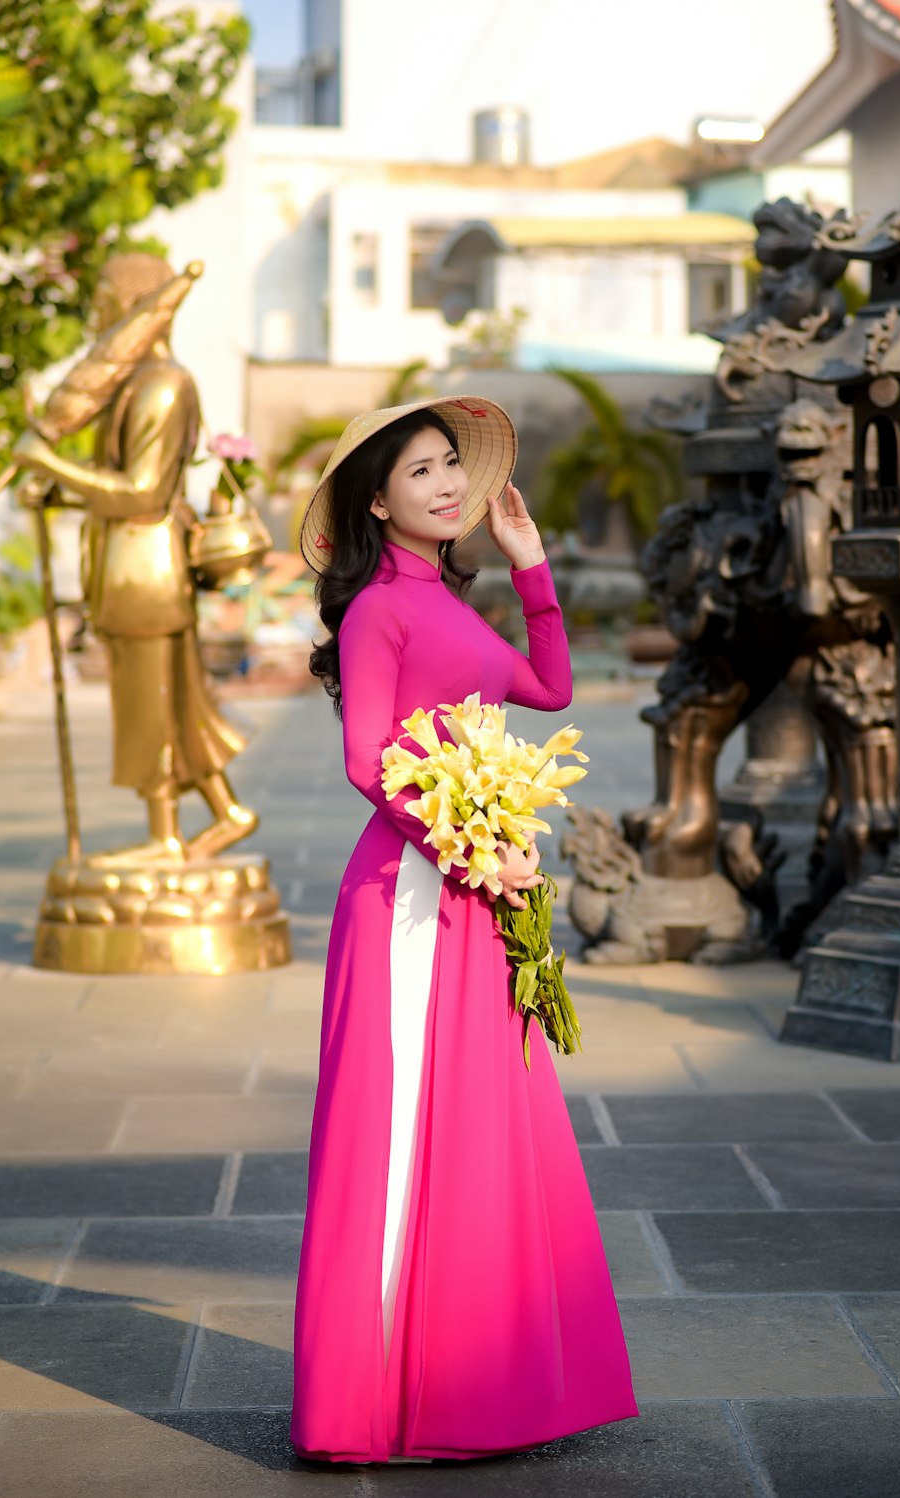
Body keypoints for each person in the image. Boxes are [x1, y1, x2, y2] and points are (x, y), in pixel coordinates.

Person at [293, 396, 638, 1464]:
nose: (446, 486)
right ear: (377, 500)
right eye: (420, 474)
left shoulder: (448, 598)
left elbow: (546, 686)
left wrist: (531, 568)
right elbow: (368, 761)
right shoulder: (375, 613)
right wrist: (470, 844)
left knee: (488, 1123)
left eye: (452, 465)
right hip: (410, 894)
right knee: (409, 1131)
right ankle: (387, 1399)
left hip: (480, 886)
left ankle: (487, 1380)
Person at [12, 252, 256, 865]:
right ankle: (226, 811)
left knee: (152, 706)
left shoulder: (163, 386)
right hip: (126, 566)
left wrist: (47, 461)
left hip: (147, 567)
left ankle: (164, 835)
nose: (94, 315)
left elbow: (143, 494)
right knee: (166, 701)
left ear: (128, 306)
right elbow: (111, 481)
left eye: (100, 301)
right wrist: (59, 488)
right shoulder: (134, 386)